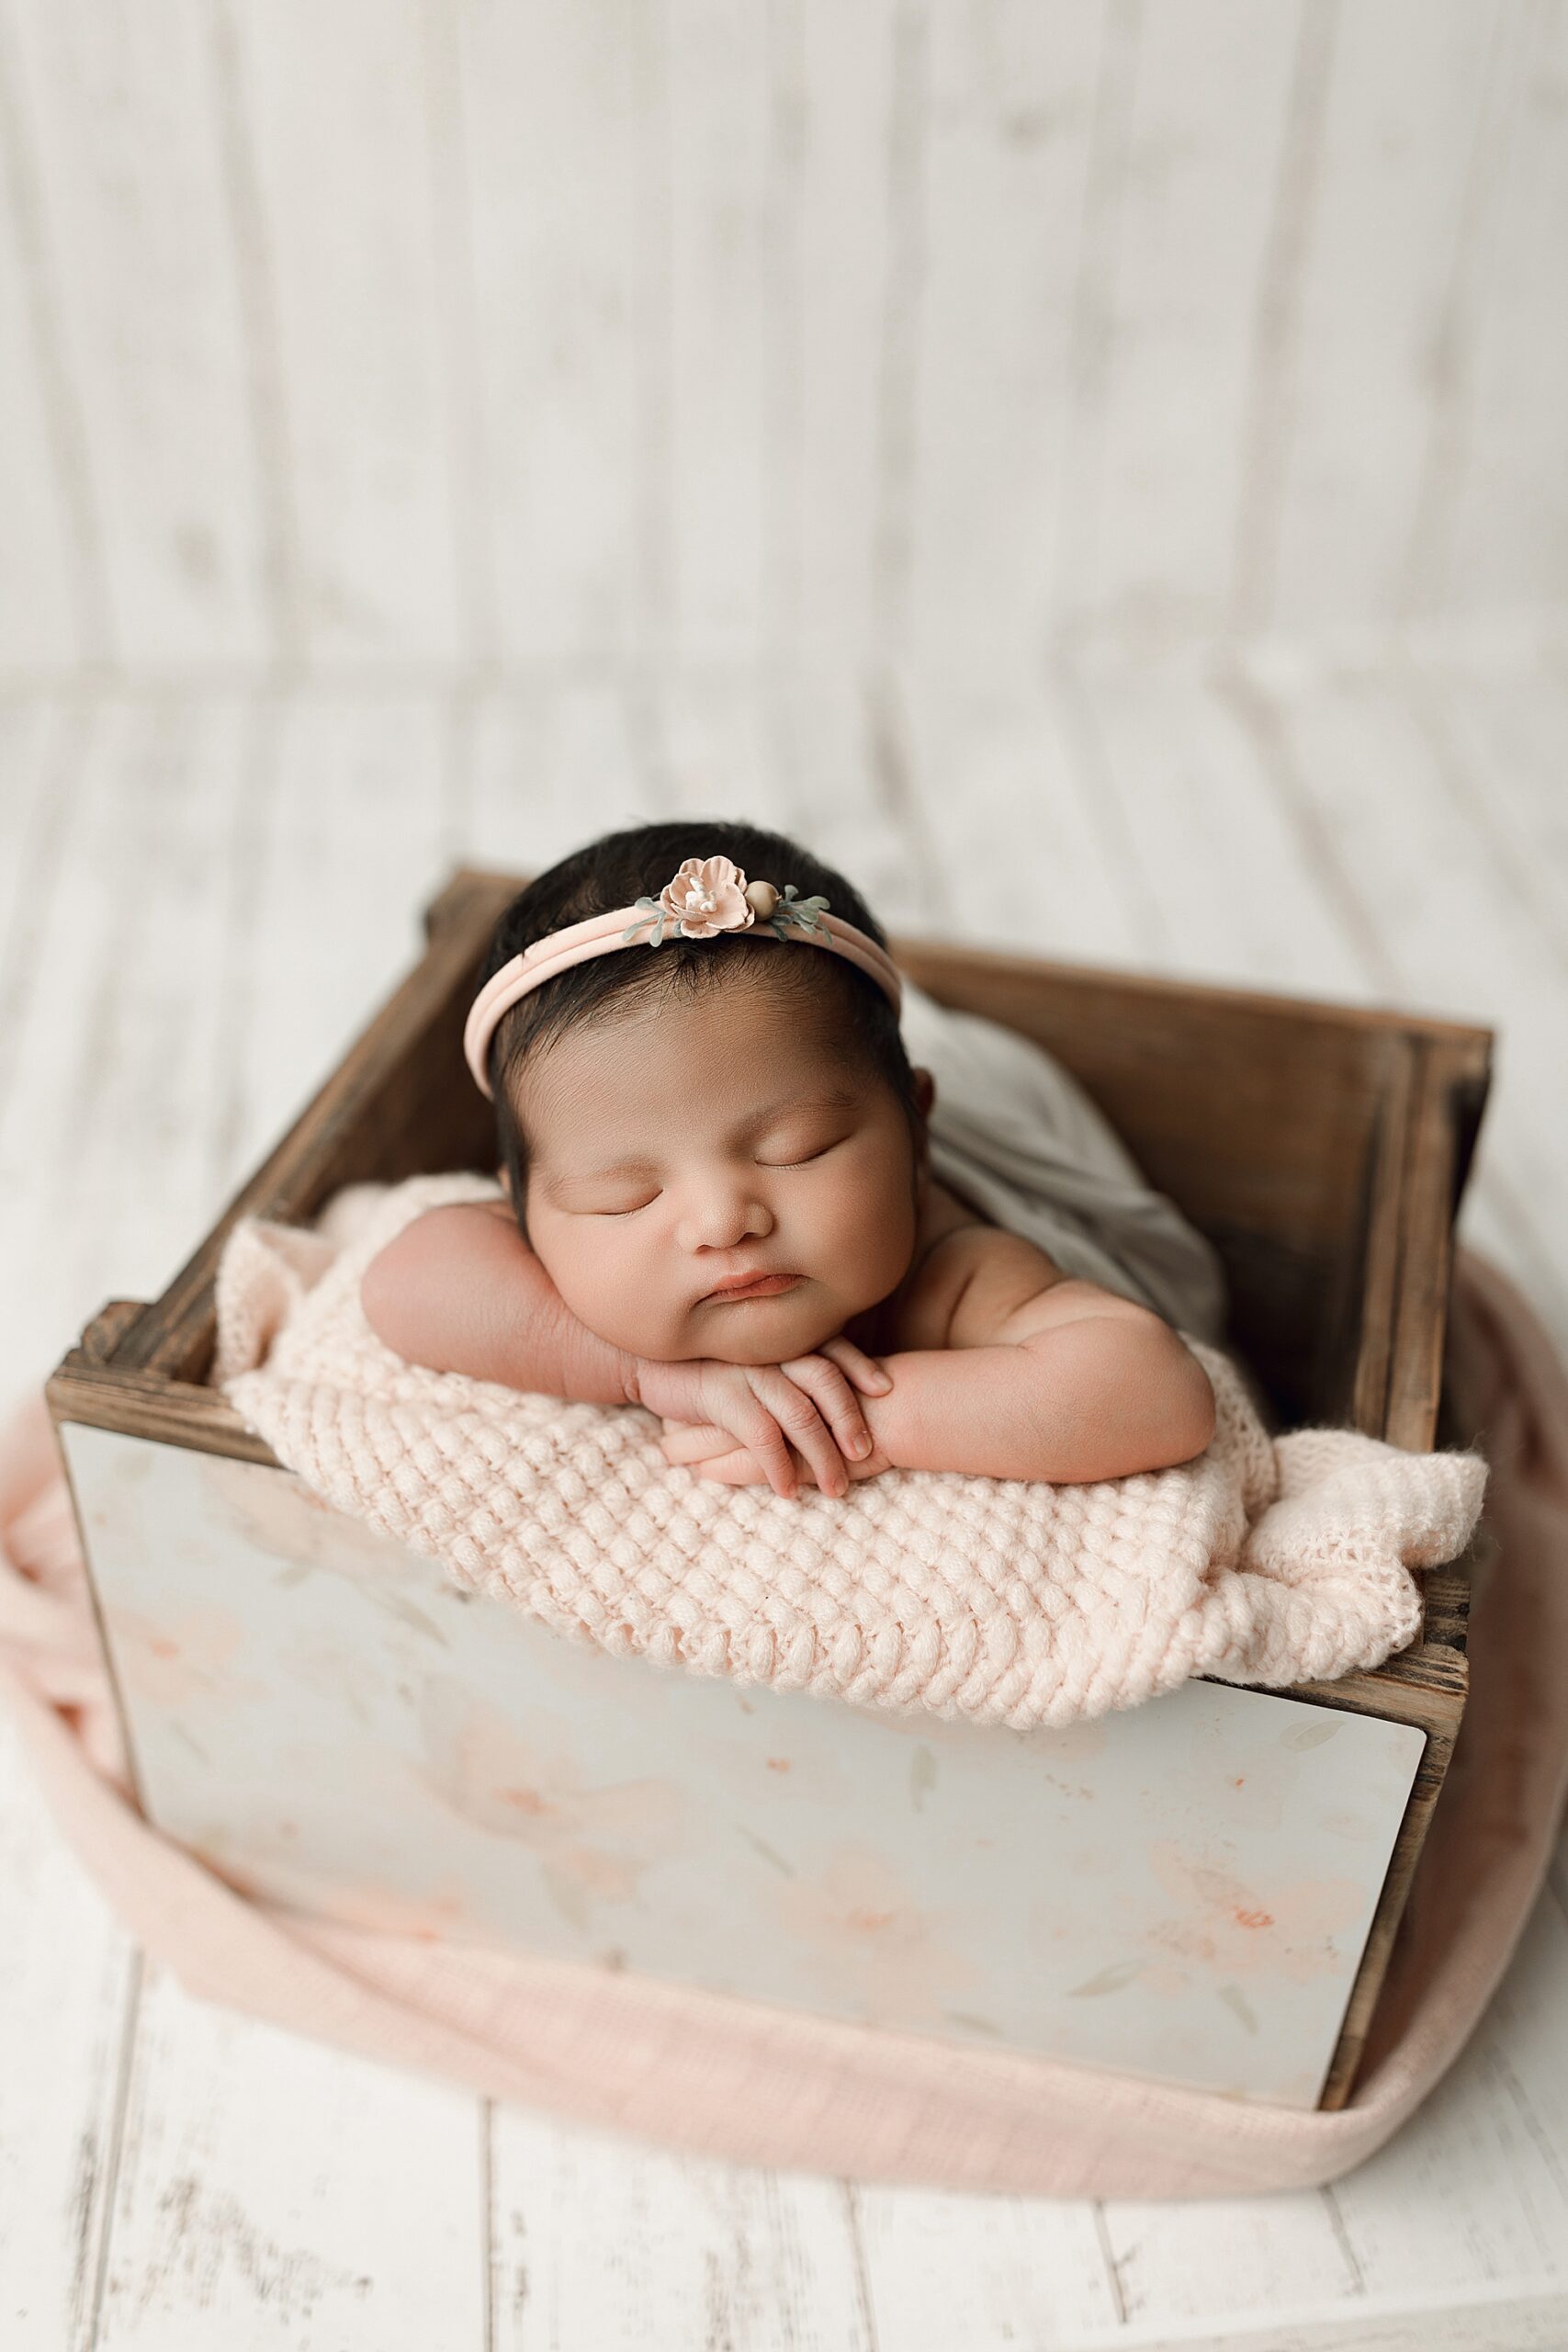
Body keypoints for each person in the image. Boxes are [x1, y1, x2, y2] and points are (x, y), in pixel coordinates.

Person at [360, 820, 1220, 1499]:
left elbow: (1156, 1394)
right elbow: (402, 1283)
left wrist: (866, 1420)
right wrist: (649, 1375)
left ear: (917, 1136)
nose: (721, 1219)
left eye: (795, 1150)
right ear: (523, 1208)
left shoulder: (950, 1270)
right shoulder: (550, 1250)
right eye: (622, 1195)